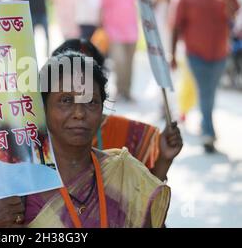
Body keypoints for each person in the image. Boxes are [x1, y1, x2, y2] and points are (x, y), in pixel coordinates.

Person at [0, 51, 171, 228]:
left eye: (91, 102)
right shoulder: (13, 188)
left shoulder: (125, 174)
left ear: (102, 110)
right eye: (66, 100)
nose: (79, 113)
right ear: (42, 109)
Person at [52, 39, 182, 182]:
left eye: (89, 99)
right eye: (66, 100)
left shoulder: (132, 136)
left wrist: (163, 159)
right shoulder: (32, 145)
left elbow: (145, 198)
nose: (79, 113)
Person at [170, 0, 240, 153]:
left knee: (210, 92)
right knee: (205, 92)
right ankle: (208, 132)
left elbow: (236, 9)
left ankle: (206, 126)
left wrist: (230, 9)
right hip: (196, 54)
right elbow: (175, 27)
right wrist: (173, 54)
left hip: (219, 54)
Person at [101, 0, 138, 102]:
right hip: (114, 31)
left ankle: (127, 91)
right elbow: (102, 8)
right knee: (119, 62)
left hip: (131, 30)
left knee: (129, 63)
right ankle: (119, 89)